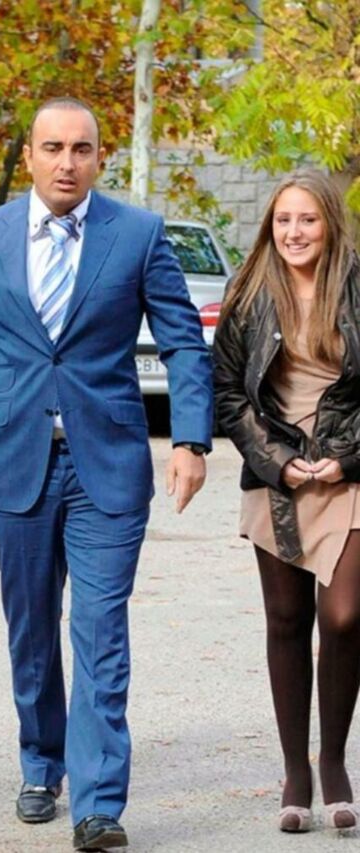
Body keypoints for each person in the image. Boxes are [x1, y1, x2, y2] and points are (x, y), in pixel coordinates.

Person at [0, 96, 212, 851]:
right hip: (14, 461)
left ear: (98, 157)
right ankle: (40, 761)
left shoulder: (139, 234)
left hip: (107, 466)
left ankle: (98, 803)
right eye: (52, 148)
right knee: (31, 629)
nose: (67, 162)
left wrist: (191, 440)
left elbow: (184, 342)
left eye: (81, 149)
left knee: (100, 630)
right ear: (29, 156)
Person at [214, 169, 360, 833]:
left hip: (347, 472)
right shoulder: (248, 291)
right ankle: (296, 771)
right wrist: (275, 461)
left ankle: (335, 758)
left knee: (345, 616)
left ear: (329, 223)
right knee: (285, 618)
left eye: (307, 219)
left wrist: (349, 457)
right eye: (283, 220)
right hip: (277, 475)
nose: (294, 232)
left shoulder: (355, 284)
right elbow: (227, 394)